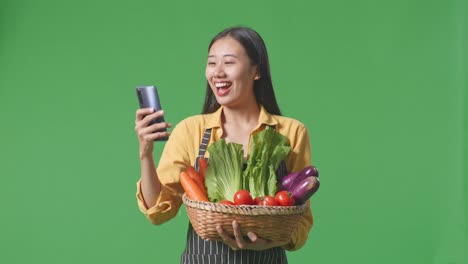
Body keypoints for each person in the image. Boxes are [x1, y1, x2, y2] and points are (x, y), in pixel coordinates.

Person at [134, 26, 314, 264]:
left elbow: (301, 222)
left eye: (229, 63)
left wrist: (273, 239)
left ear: (256, 71)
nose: (217, 73)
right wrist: (146, 154)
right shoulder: (191, 130)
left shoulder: (291, 132)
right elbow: (159, 212)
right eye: (211, 63)